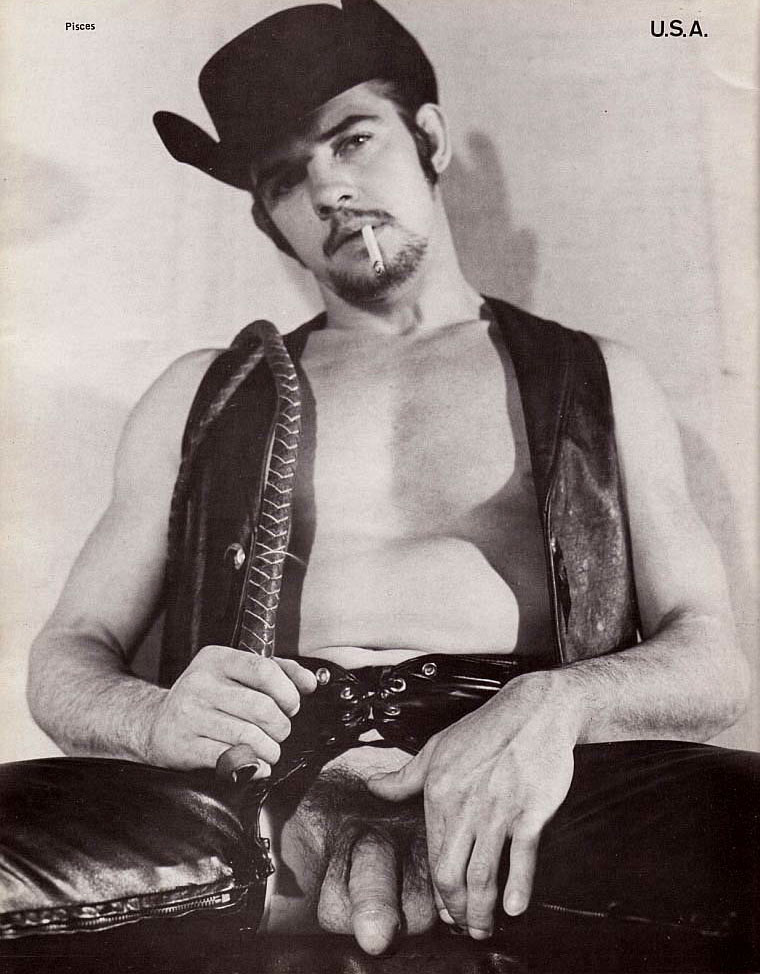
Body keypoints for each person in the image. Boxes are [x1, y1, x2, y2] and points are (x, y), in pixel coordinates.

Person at [26, 0, 758, 965]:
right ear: (271, 223)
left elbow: (710, 660)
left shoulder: (594, 378)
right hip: (250, 801)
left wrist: (557, 708)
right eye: (286, 178)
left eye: (353, 139)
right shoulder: (202, 393)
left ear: (430, 139)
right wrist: (155, 719)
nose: (329, 188)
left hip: (521, 789)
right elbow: (68, 651)